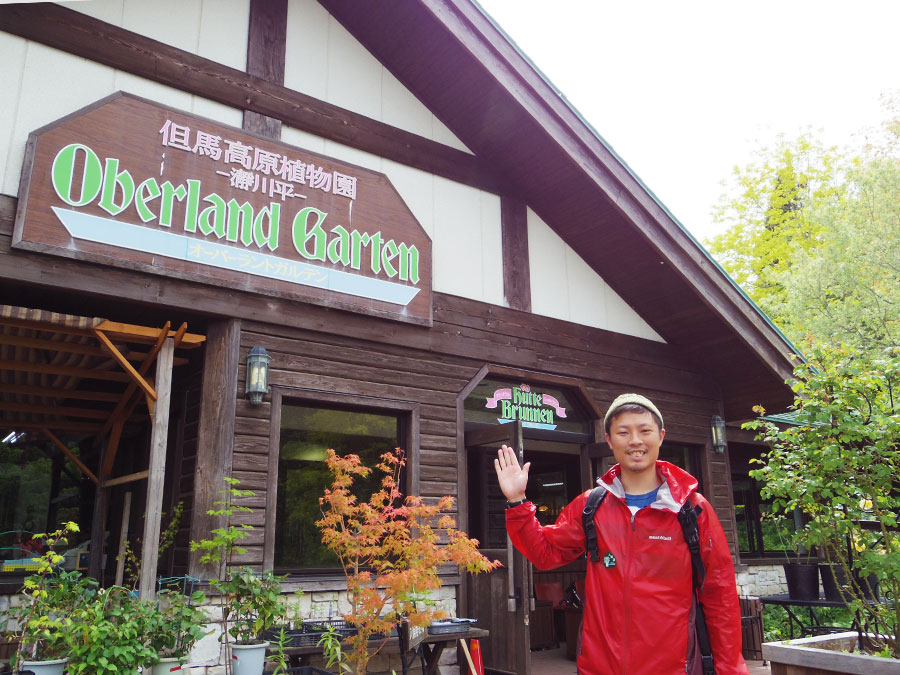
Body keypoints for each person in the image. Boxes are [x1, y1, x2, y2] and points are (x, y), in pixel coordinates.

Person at [495, 393, 748, 675]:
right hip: (600, 667)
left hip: (674, 667)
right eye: (623, 432)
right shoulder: (592, 505)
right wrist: (517, 501)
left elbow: (720, 597)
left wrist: (730, 670)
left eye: (644, 430)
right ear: (609, 440)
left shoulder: (692, 510)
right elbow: (545, 554)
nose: (635, 441)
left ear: (661, 436)